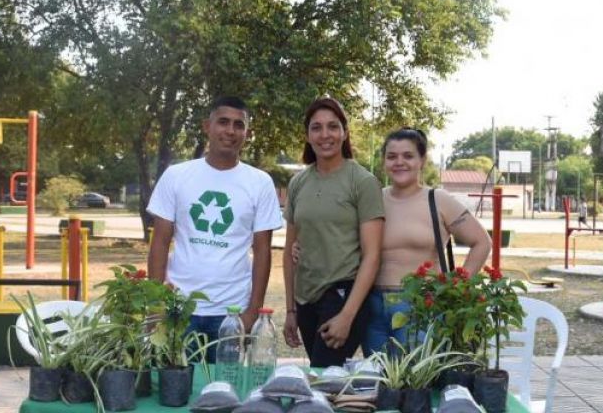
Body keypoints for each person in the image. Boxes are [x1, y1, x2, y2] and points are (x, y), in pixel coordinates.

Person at [147, 96, 282, 355]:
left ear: (247, 133)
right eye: (222, 122)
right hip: (179, 307)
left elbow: (263, 251)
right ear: (206, 126)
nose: (230, 131)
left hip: (231, 313)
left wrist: (252, 312)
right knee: (175, 388)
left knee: (224, 390)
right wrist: (156, 304)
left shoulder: (260, 182)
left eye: (238, 125)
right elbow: (160, 242)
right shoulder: (177, 176)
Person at [362, 128, 492, 356]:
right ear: (383, 161)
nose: (399, 162)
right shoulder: (373, 199)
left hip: (420, 307)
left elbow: (481, 242)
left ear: (422, 160)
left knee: (416, 383)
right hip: (372, 308)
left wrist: (457, 288)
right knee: (378, 383)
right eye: (392, 156)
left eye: (408, 156)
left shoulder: (438, 200)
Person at [282, 97, 384, 367]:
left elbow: (372, 256)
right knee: (322, 380)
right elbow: (289, 250)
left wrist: (347, 315)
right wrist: (290, 310)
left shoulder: (362, 181)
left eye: (332, 126)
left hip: (342, 295)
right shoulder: (298, 183)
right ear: (307, 135)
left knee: (322, 380)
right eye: (316, 128)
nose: (325, 135)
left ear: (345, 132)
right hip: (306, 298)